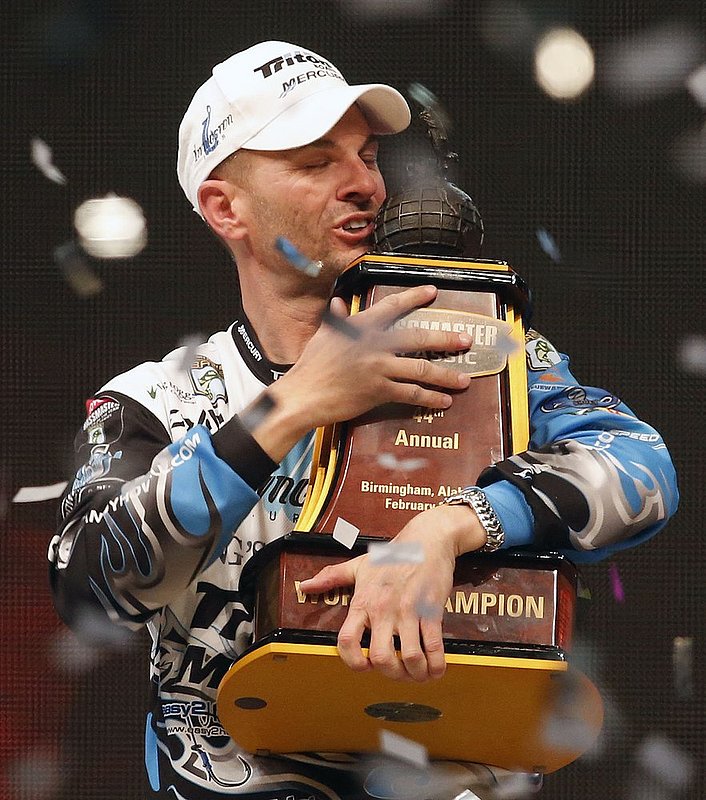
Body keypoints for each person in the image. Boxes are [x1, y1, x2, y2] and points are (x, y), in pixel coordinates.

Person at [49, 40, 678, 800]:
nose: (365, 186)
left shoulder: (479, 347)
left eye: (369, 156)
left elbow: (643, 467)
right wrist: (297, 403)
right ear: (226, 208)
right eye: (317, 164)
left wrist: (450, 527)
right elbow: (89, 588)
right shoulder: (156, 399)